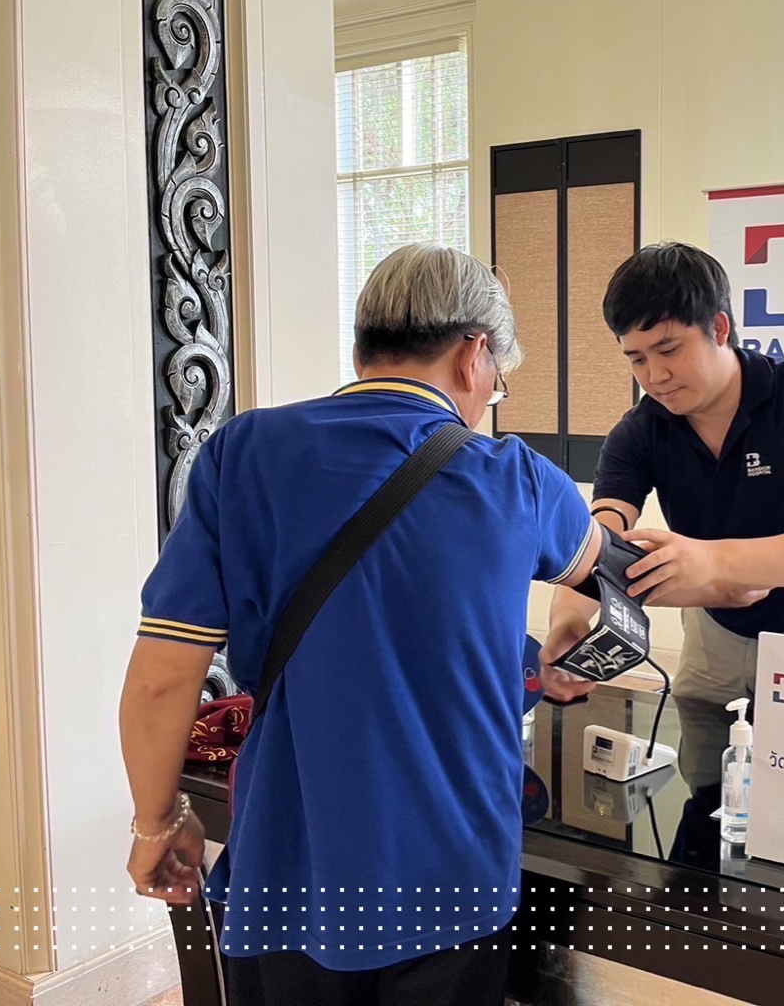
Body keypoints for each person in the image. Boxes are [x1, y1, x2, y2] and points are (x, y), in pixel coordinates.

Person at [118, 243, 603, 1006]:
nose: (489, 400)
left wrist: (157, 822)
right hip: (453, 871)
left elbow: (161, 679)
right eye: (497, 381)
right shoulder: (520, 480)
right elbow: (613, 573)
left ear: (360, 350)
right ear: (474, 354)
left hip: (289, 861)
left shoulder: (240, 455)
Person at [546, 241, 784, 710]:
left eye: (668, 349)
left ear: (718, 328)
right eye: (637, 359)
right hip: (712, 633)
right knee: (701, 755)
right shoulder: (639, 431)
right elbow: (598, 539)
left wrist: (709, 560)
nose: (655, 376)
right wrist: (568, 620)